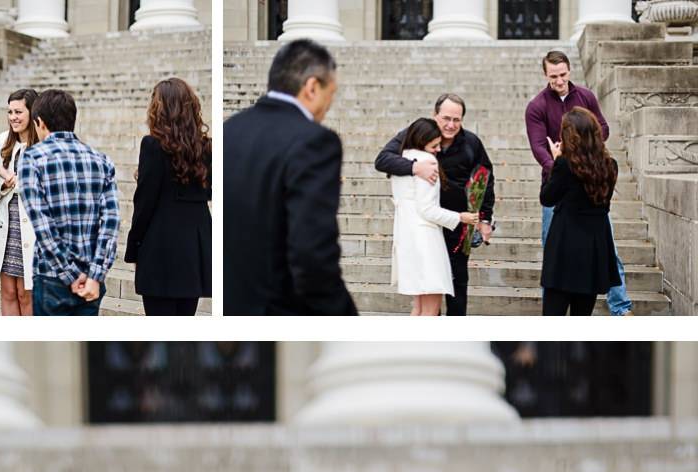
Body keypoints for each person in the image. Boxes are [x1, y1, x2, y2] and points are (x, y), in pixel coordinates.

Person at [223, 38, 356, 316]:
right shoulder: (315, 141)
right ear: (311, 87)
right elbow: (312, 255)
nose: (327, 108)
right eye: (330, 95)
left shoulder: (229, 131)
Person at [525, 48, 631, 317]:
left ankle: (620, 305)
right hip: (561, 184)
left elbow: (602, 128)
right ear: (545, 75)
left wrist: (580, 159)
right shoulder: (537, 106)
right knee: (554, 250)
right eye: (553, 77)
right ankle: (553, 303)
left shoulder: (586, 96)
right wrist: (562, 167)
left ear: (569, 70)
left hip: (589, 179)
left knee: (608, 248)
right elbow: (539, 147)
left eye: (562, 75)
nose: (559, 81)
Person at [375, 93, 494, 317]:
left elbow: (485, 178)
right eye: (446, 118)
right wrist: (414, 167)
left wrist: (485, 219)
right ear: (435, 115)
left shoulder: (472, 142)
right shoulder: (417, 135)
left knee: (457, 285)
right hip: (428, 223)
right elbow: (382, 160)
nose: (451, 125)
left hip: (458, 227)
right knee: (430, 286)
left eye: (456, 120)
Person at [18, 88, 119, 316]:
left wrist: (71, 276)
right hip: (91, 280)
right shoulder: (101, 160)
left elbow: (43, 226)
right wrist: (95, 275)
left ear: (40, 122)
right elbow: (111, 223)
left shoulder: (32, 158)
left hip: (52, 276)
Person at [125, 78, 212, 317]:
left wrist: (134, 247)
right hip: (194, 249)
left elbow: (144, 202)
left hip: (160, 249)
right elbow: (210, 191)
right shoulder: (205, 147)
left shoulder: (153, 145)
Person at [389, 118, 479, 316]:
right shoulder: (427, 161)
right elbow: (427, 209)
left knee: (418, 308)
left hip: (407, 237)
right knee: (430, 311)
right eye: (434, 145)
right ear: (422, 141)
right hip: (426, 241)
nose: (438, 149)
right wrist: (460, 217)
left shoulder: (402, 160)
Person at [540, 107, 619, 315]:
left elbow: (546, 198)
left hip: (565, 249)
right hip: (594, 250)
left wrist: (556, 162)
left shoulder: (565, 166)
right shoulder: (611, 165)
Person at [0, 87, 38, 316]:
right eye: (10, 112)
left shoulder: (42, 145)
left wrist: (12, 180)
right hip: (7, 220)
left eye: (18, 112)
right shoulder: (1, 141)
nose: (13, 117)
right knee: (7, 290)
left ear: (32, 113)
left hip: (32, 223)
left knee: (26, 293)